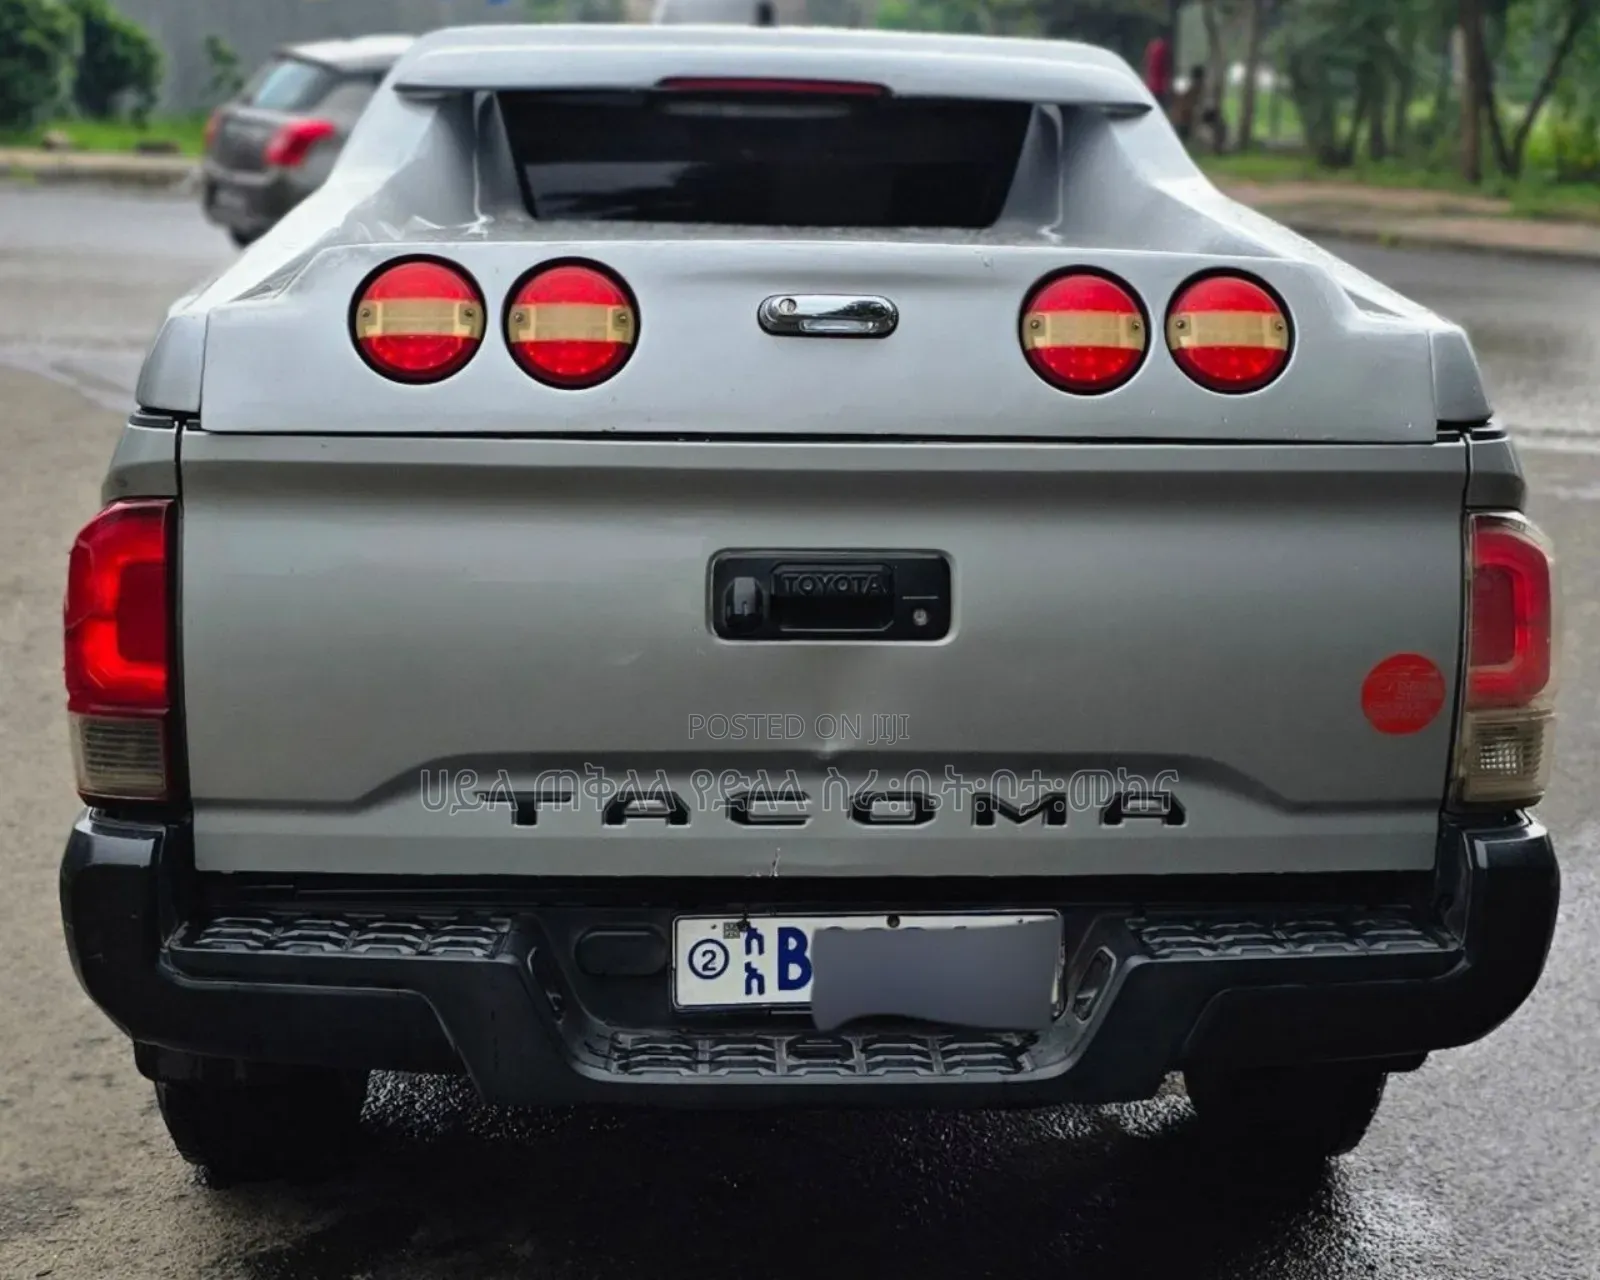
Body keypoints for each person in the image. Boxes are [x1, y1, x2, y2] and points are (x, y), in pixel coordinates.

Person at [1142, 35, 1173, 109]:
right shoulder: (1163, 48)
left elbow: (1146, 64)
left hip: (1151, 85)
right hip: (1161, 86)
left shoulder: (1151, 47)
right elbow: (1167, 66)